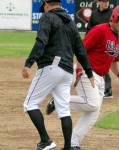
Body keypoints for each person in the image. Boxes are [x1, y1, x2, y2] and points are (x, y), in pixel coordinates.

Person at [46, 4, 119, 150]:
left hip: (100, 78)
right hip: (87, 71)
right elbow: (81, 49)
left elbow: (113, 61)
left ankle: (73, 144)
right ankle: (59, 101)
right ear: (115, 17)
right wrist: (80, 68)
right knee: (92, 104)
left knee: (93, 112)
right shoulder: (100, 30)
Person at [22, 0, 94, 150]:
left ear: (47, 4)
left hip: (52, 66)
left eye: (44, 7)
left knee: (30, 104)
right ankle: (67, 147)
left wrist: (29, 63)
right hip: (68, 70)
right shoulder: (71, 22)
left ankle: (45, 140)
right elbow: (80, 49)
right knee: (64, 110)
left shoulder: (47, 17)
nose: (44, 9)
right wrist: (89, 71)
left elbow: (41, 41)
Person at [87, 0, 113, 98]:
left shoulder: (112, 13)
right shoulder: (94, 13)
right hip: (95, 43)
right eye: (104, 1)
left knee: (104, 67)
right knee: (92, 64)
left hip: (107, 43)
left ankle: (108, 90)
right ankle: (95, 88)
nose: (106, 3)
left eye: (107, 1)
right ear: (99, 2)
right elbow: (89, 28)